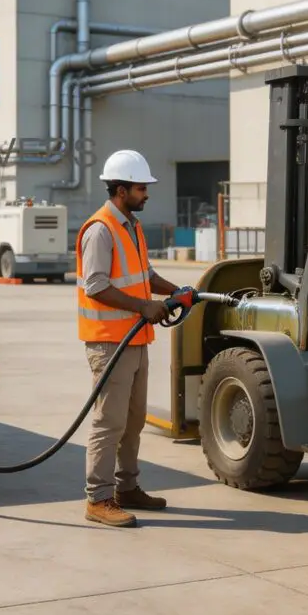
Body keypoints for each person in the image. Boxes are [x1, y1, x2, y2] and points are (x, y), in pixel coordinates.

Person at [76, 149, 183, 528]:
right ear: (121, 190)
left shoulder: (131, 227)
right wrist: (144, 306)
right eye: (141, 187)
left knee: (134, 420)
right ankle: (99, 498)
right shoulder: (101, 229)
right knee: (109, 422)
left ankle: (127, 489)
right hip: (109, 342)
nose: (147, 194)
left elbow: (146, 274)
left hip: (135, 339)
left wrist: (181, 290)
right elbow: (96, 285)